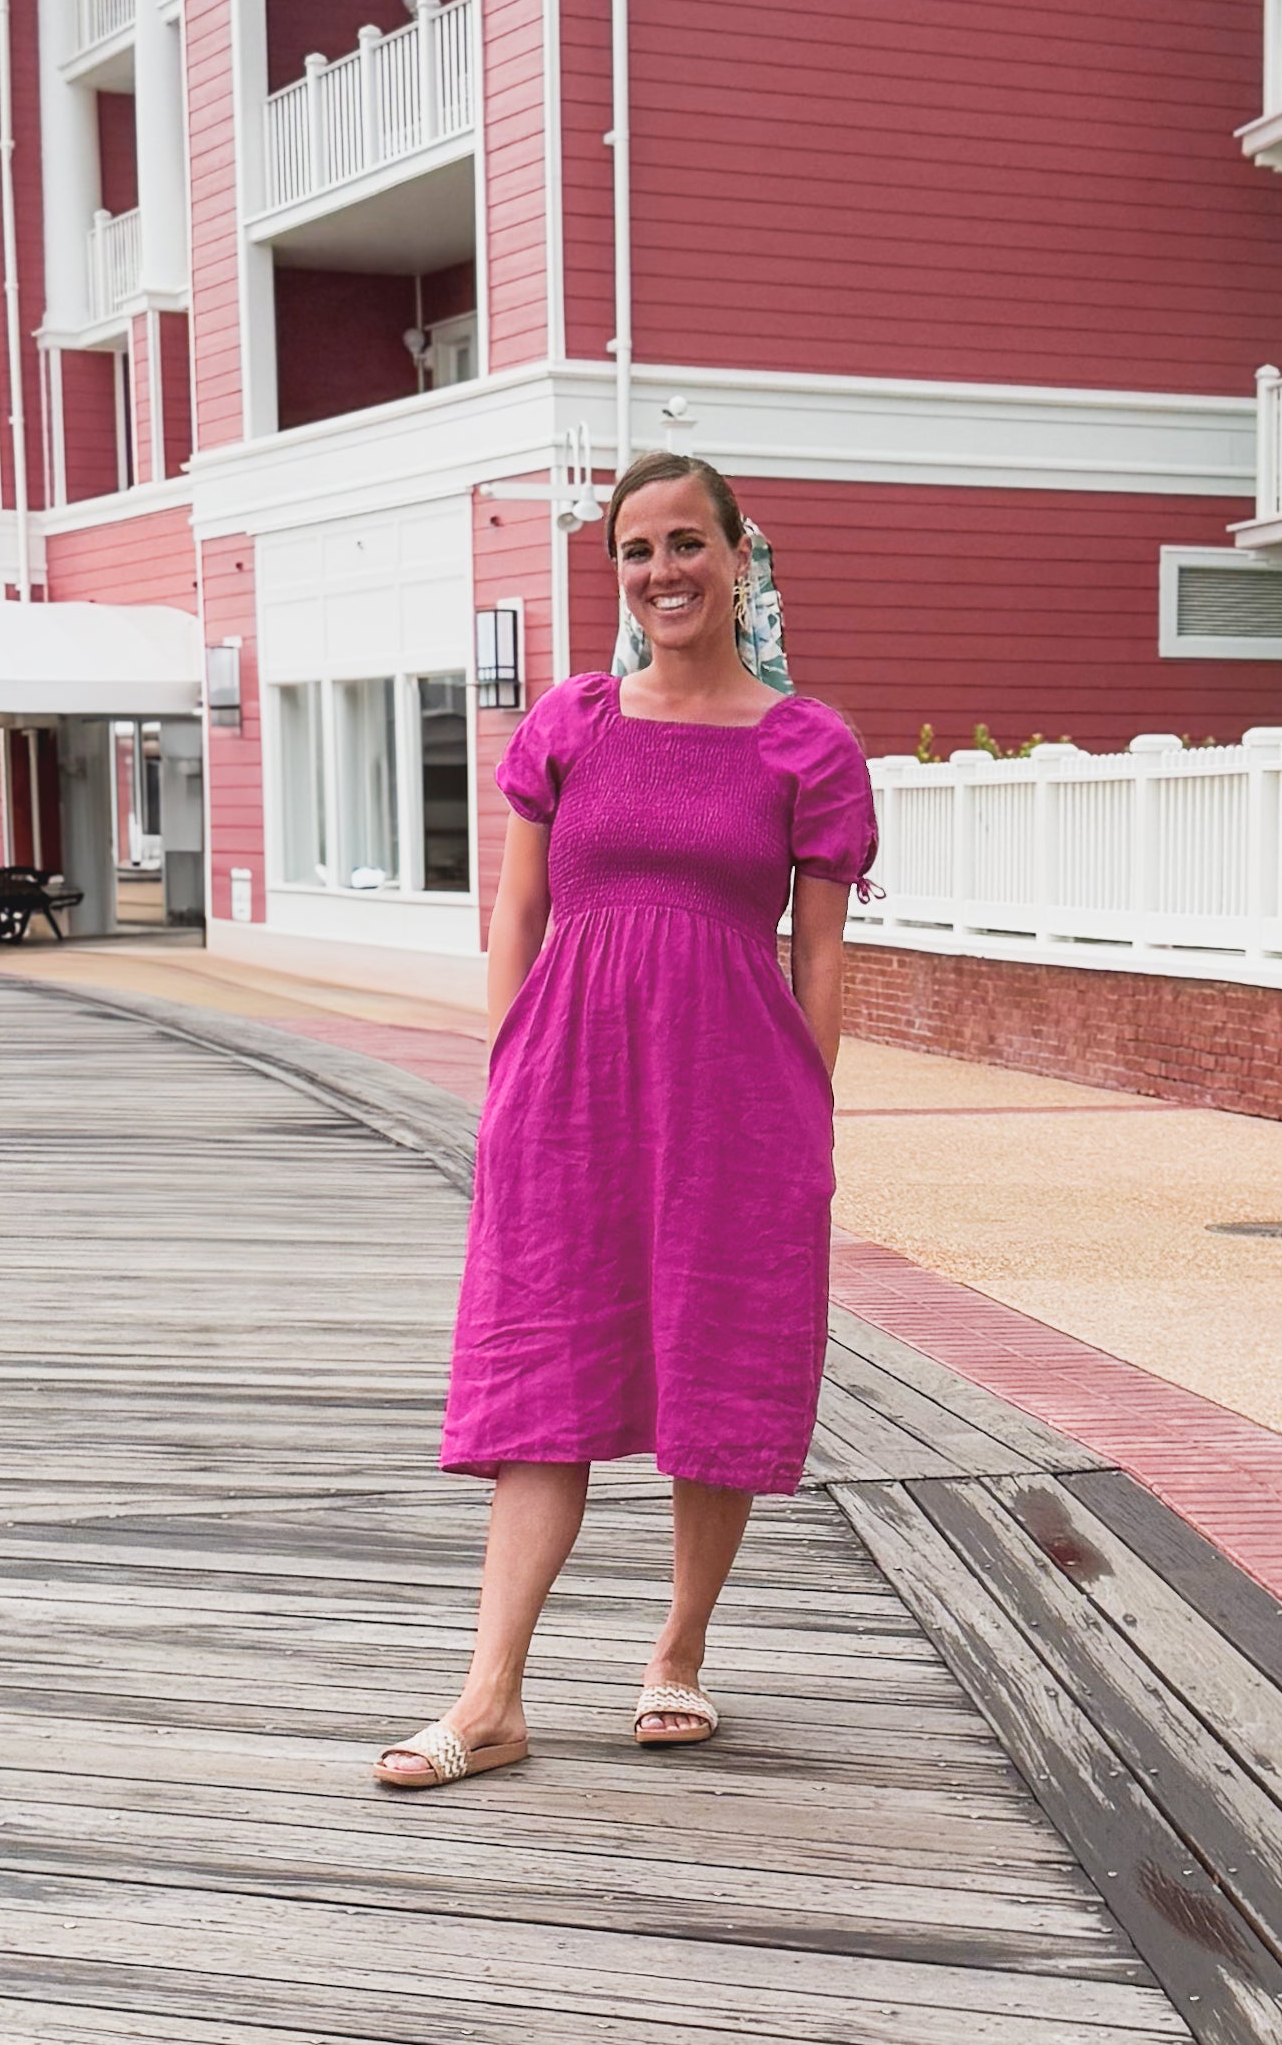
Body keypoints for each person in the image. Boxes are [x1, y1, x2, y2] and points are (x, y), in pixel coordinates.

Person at [374, 452, 876, 1789]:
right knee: (543, 1374)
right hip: (567, 1089)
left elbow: (817, 956)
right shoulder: (572, 723)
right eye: (636, 550)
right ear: (617, 574)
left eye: (686, 543)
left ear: (736, 555)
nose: (663, 571)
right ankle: (491, 1699)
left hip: (738, 1100)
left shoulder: (804, 745)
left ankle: (678, 1652)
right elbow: (517, 915)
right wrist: (508, 1073)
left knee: (715, 1366)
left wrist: (806, 1116)